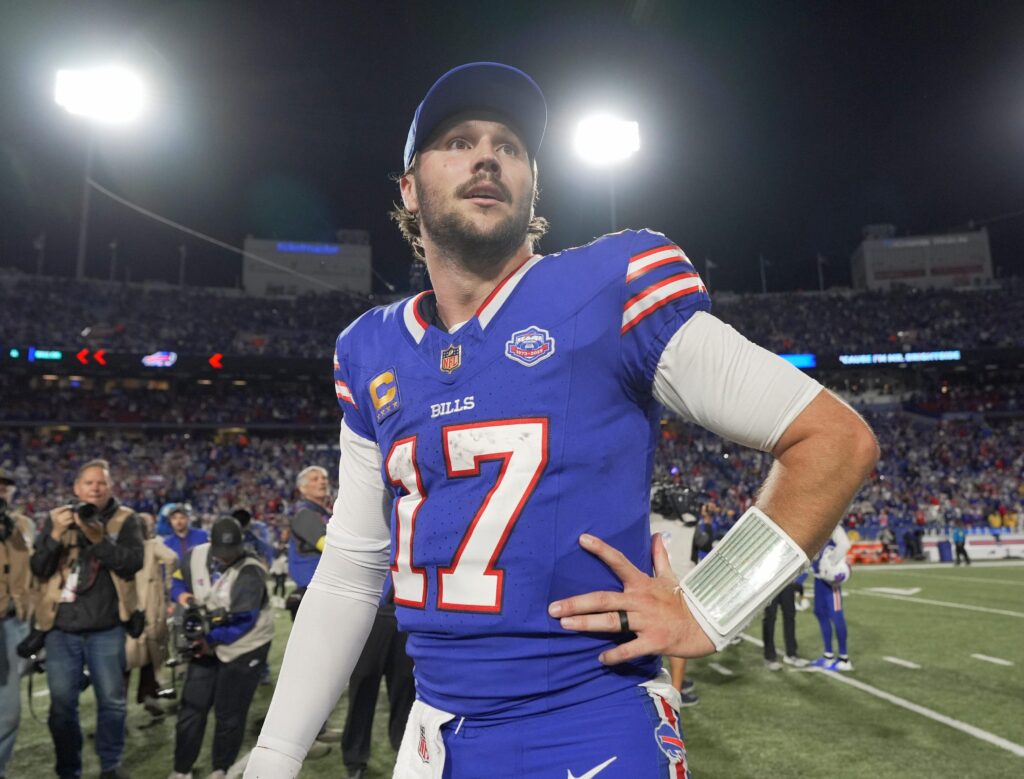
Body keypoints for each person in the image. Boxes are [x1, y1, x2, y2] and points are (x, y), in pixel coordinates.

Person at [245, 62, 878, 778]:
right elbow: (355, 568)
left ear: (533, 185)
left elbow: (833, 437)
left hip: (589, 720)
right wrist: (276, 751)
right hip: (431, 737)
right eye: (458, 141)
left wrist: (710, 606)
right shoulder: (369, 349)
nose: (488, 155)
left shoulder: (611, 285)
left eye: (509, 146)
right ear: (408, 189)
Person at [30, 459, 144, 779]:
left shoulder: (126, 520)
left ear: (110, 488)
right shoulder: (57, 518)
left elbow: (131, 563)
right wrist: (54, 533)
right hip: (61, 628)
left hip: (106, 627)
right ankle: (69, 769)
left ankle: (110, 764)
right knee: (63, 706)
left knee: (112, 702)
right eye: (89, 483)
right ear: (76, 488)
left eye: (102, 483)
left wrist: (98, 539)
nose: (95, 488)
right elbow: (39, 568)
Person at [167, 517, 273, 779]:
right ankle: (181, 769)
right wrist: (187, 599)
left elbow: (243, 622)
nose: (226, 557)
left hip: (245, 646)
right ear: (210, 544)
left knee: (229, 713)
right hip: (206, 642)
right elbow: (177, 583)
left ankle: (220, 769)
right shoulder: (195, 556)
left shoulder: (251, 570)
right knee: (191, 709)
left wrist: (208, 640)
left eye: (232, 551)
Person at [340, 577, 415, 779]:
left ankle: (404, 751)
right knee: (362, 686)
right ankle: (355, 758)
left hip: (409, 613)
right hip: (372, 612)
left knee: (406, 689)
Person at [0, 467, 35, 778]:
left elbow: (33, 572)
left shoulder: (23, 525)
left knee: (8, 714)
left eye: (5, 487)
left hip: (13, 623)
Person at [285, 466, 331, 620]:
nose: (322, 482)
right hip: (313, 591)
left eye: (323, 478)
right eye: (315, 479)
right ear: (303, 488)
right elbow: (328, 547)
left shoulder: (322, 513)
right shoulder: (304, 514)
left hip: (323, 588)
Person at [810, 525, 854, 672]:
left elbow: (845, 544)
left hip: (830, 581)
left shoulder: (833, 525)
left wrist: (832, 563)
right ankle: (828, 655)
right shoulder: (815, 527)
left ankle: (844, 658)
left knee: (836, 616)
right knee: (820, 613)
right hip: (818, 578)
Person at [761, 581, 808, 670]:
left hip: (786, 582)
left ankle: (791, 654)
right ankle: (770, 657)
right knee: (770, 618)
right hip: (770, 583)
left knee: (790, 616)